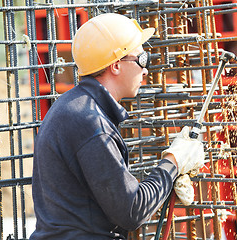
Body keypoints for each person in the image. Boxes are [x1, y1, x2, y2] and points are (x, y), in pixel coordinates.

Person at [30, 13, 204, 240]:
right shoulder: (91, 123)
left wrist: (163, 185)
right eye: (142, 59)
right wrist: (173, 161)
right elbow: (132, 211)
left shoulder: (74, 107)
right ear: (116, 65)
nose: (146, 70)